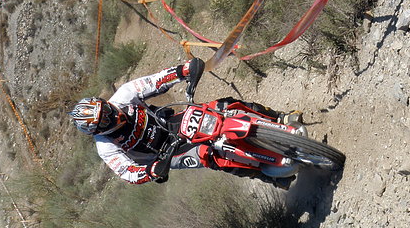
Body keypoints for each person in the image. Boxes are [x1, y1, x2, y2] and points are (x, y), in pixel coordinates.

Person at [68, 59, 302, 185]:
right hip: (167, 154)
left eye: (107, 109)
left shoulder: (124, 95)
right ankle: (262, 174)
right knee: (210, 156)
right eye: (105, 120)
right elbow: (128, 172)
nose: (112, 115)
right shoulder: (106, 147)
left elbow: (156, 81)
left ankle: (279, 118)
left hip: (171, 121)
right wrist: (150, 171)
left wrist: (183, 71)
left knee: (223, 106)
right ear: (99, 129)